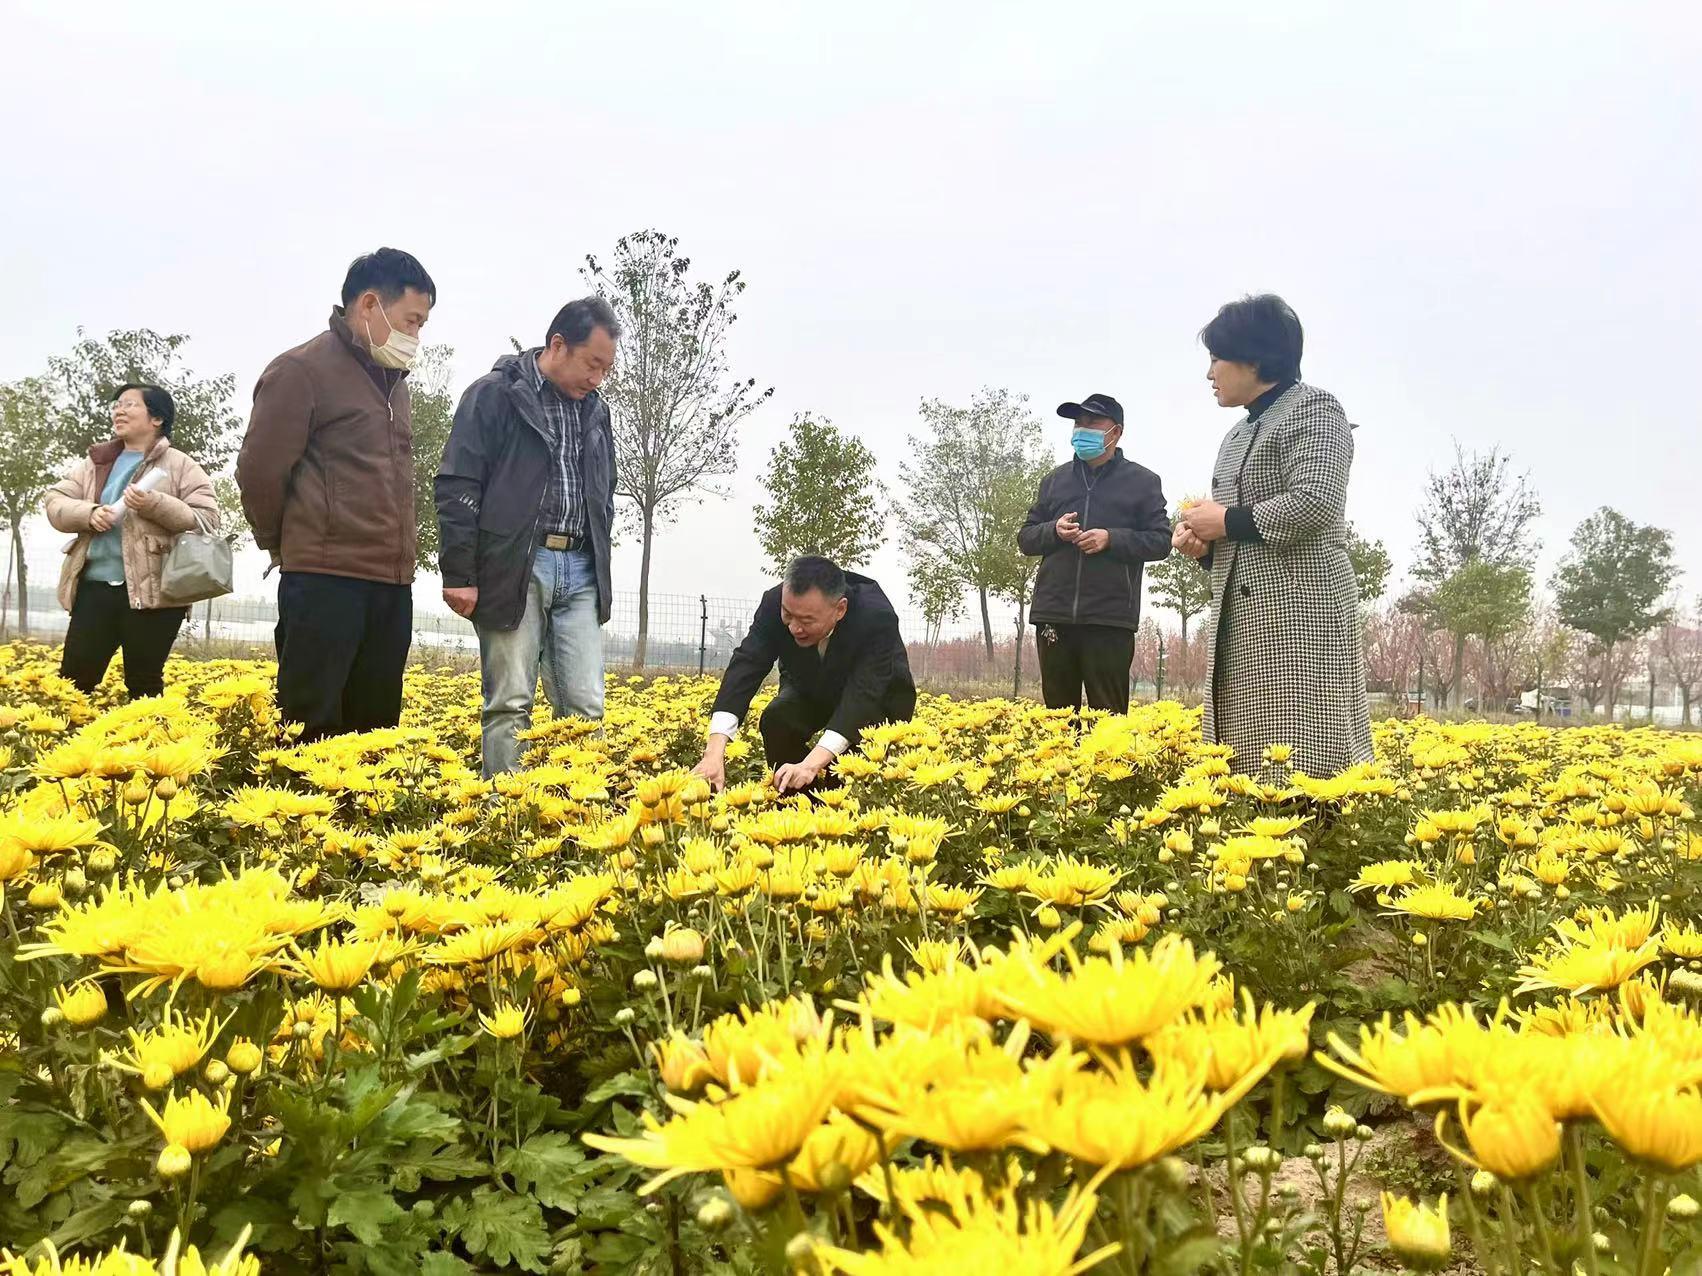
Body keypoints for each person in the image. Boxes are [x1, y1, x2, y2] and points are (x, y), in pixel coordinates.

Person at [236, 248, 435, 741]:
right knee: (311, 726)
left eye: (422, 324)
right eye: (412, 320)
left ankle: (359, 820)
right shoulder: (300, 371)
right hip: (325, 580)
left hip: (391, 583)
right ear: (369, 305)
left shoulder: (394, 383)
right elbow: (259, 472)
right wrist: (284, 543)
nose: (416, 336)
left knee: (376, 730)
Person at [1175, 294, 1373, 776]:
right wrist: (1203, 546)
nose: (1209, 374)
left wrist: (1224, 522)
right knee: (1244, 760)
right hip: (1241, 621)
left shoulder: (1314, 409)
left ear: (1254, 359)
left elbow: (1317, 499)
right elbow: (1239, 535)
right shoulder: (1236, 436)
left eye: (1216, 359)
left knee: (1308, 758)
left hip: (1302, 616)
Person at [435, 297, 621, 777]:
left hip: (580, 567)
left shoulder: (597, 413)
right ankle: (506, 819)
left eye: (606, 369)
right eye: (592, 364)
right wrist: (459, 571)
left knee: (586, 707)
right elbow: (458, 484)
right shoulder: (494, 395)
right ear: (558, 345)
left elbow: (605, 492)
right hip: (516, 563)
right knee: (510, 702)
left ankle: (581, 816)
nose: (598, 378)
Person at [45, 384, 218, 699]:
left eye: (129, 404)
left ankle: (146, 745)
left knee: (144, 684)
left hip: (156, 592)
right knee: (72, 683)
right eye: (116, 405)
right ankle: (71, 746)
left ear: (157, 418)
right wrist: (88, 513)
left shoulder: (181, 465)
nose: (118, 410)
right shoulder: (96, 462)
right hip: (94, 588)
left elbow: (207, 519)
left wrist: (154, 503)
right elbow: (56, 501)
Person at [692, 557, 915, 794]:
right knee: (778, 720)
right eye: (788, 614)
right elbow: (746, 665)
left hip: (878, 697)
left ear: (840, 609)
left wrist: (811, 764)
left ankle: (840, 814)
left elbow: (863, 696)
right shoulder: (773, 602)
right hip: (811, 684)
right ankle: (794, 806)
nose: (794, 628)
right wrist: (714, 753)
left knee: (846, 771)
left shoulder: (876, 617)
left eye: (807, 620)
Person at [1019, 392, 1172, 713]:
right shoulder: (1054, 481)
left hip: (1109, 618)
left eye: (1092, 422)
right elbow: (1026, 538)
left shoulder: (1143, 482)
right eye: (1078, 423)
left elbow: (1161, 541)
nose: (1082, 430)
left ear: (1116, 432)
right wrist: (1054, 530)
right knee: (1058, 723)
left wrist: (1111, 539)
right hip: (1054, 615)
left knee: (1110, 721)